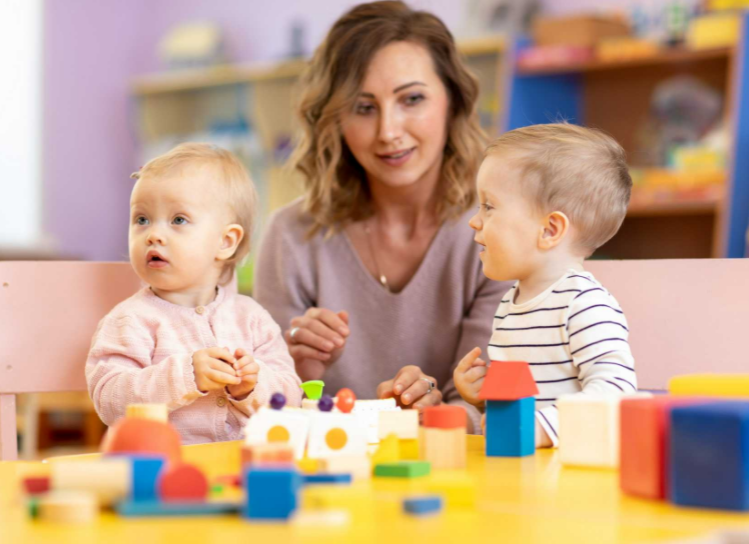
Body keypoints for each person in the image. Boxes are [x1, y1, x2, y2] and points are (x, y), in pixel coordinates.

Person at [254, 1, 509, 432]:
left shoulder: (499, 233)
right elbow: (268, 409)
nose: (389, 131)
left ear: (453, 100)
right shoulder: (290, 236)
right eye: (363, 106)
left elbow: (490, 405)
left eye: (412, 99)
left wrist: (434, 414)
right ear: (334, 119)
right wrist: (301, 369)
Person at [86, 143, 302, 444]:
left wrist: (252, 386)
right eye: (142, 219)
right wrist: (183, 376)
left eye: (178, 220)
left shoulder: (252, 318)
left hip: (246, 467)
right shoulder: (129, 320)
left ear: (226, 242)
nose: (153, 234)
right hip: (164, 469)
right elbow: (109, 401)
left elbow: (292, 396)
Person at [454, 123, 637, 448]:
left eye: (489, 206)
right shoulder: (511, 304)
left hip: (568, 478)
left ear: (550, 229)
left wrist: (542, 427)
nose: (474, 220)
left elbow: (617, 392)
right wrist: (483, 399)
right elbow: (525, 403)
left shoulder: (585, 304)